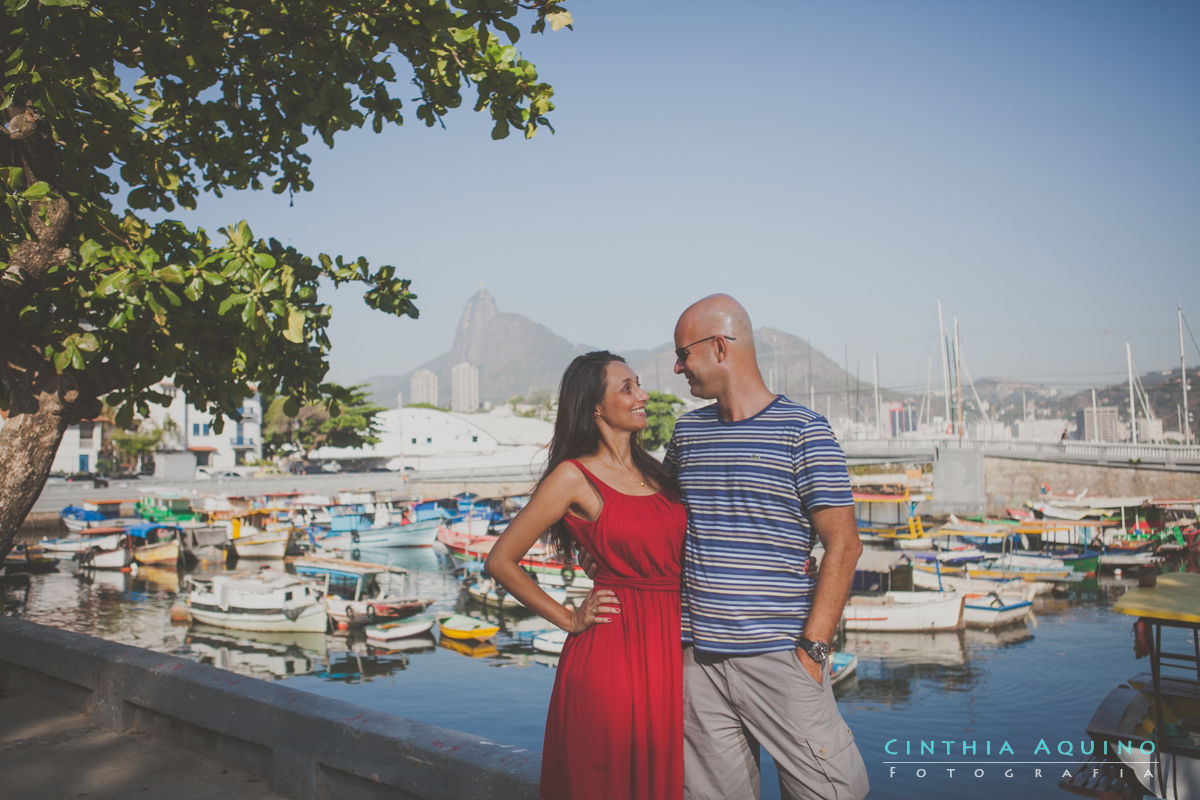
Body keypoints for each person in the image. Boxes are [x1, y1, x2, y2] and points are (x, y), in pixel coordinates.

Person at [668, 294, 869, 800]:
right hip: (697, 664)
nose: (676, 368)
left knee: (834, 791)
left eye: (683, 354)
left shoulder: (805, 431)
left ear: (718, 347)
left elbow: (843, 544)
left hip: (782, 657)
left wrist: (813, 650)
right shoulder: (687, 434)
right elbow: (658, 523)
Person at [485, 351, 688, 800]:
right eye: (627, 388)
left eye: (638, 384)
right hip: (611, 655)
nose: (643, 396)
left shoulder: (658, 473)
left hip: (665, 648)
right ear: (595, 407)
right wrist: (568, 618)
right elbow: (500, 561)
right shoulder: (573, 477)